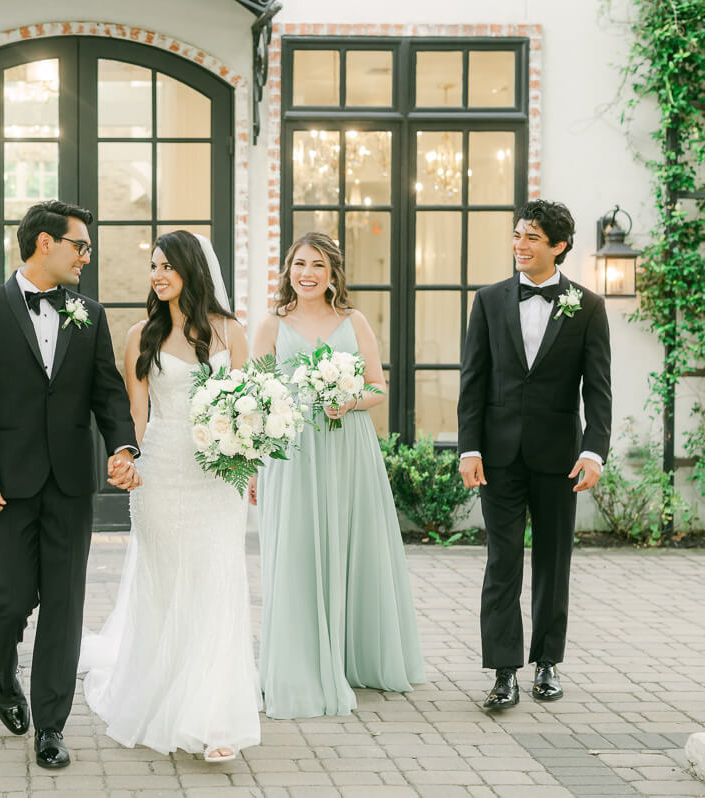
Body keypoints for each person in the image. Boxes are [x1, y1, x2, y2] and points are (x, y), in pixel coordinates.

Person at [0, 199, 140, 769]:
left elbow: (108, 391)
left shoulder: (90, 312)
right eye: (79, 245)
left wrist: (124, 446)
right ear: (44, 244)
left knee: (64, 602)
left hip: (70, 481)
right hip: (5, 482)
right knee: (9, 597)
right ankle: (3, 670)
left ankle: (52, 726)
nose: (87, 255)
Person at [80, 231, 261, 763]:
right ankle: (159, 694)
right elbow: (136, 412)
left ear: (191, 270)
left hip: (217, 476)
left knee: (215, 581)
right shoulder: (142, 333)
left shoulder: (232, 332)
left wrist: (248, 467)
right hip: (161, 470)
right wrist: (126, 455)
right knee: (164, 582)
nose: (156, 275)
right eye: (152, 266)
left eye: (166, 266)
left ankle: (215, 718)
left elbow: (247, 408)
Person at [250, 232, 425, 719]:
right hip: (292, 453)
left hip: (348, 447)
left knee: (353, 547)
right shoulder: (271, 325)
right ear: (288, 270)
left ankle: (351, 656)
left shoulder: (354, 321)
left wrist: (349, 400)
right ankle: (299, 662)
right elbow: (258, 401)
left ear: (332, 275)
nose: (307, 273)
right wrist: (252, 468)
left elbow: (378, 386)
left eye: (318, 266)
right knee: (297, 552)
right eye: (299, 264)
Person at [457, 200, 612, 709]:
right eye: (517, 235)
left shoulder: (587, 306)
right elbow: (473, 381)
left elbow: (599, 390)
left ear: (559, 246)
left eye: (532, 238)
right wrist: (469, 448)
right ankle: (504, 671)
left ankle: (547, 663)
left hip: (559, 457)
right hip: (498, 455)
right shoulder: (488, 300)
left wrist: (594, 452)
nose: (520, 245)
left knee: (553, 562)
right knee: (502, 562)